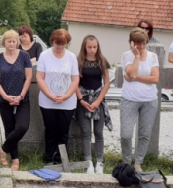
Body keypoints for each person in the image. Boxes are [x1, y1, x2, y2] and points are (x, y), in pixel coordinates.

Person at [37, 29, 79, 165]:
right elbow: (40, 78)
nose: (60, 47)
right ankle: (48, 158)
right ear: (52, 42)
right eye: (57, 43)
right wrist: (49, 95)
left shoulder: (72, 57)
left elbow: (75, 79)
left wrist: (66, 96)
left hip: (67, 102)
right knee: (50, 130)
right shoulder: (44, 55)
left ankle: (61, 159)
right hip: (47, 101)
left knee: (63, 131)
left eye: (63, 44)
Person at [120, 27, 159, 172]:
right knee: (126, 134)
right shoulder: (126, 55)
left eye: (143, 43)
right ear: (132, 43)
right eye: (138, 43)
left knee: (144, 134)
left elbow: (155, 79)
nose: (141, 47)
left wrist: (136, 78)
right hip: (130, 98)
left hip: (149, 100)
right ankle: (126, 162)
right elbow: (130, 72)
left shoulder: (153, 56)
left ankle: (138, 163)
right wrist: (136, 57)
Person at [0, 30, 32, 171]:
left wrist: (21, 96)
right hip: (4, 99)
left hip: (22, 98)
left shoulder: (24, 56)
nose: (11, 43)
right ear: (4, 42)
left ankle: (3, 150)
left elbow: (28, 77)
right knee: (9, 129)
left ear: (17, 42)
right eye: (9, 41)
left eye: (14, 41)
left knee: (22, 127)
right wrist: (5, 96)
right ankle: (15, 160)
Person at [75, 35, 112, 175]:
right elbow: (75, 82)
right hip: (83, 99)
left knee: (98, 132)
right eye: (89, 47)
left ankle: (99, 162)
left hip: (98, 99)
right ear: (84, 47)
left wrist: (97, 101)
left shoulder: (102, 60)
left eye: (94, 47)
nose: (92, 50)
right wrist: (81, 100)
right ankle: (88, 162)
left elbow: (107, 83)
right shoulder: (79, 61)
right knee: (85, 132)